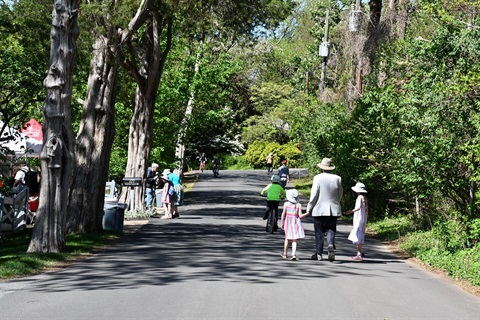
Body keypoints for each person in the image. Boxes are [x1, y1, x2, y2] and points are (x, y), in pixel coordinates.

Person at [306, 158, 343, 262]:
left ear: (322, 168)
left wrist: (309, 207)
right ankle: (330, 244)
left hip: (319, 208)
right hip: (333, 208)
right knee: (331, 228)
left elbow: (314, 194)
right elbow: (340, 193)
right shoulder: (337, 178)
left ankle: (319, 253)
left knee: (319, 231)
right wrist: (336, 201)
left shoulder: (317, 178)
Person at [280, 189, 309, 260]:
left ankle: (285, 253)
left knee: (287, 238)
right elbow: (300, 216)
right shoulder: (298, 205)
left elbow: (283, 214)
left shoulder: (286, 204)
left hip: (288, 222)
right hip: (295, 222)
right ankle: (293, 254)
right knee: (294, 239)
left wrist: (282, 222)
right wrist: (307, 213)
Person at [344, 182, 368, 261]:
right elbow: (367, 210)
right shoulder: (365, 198)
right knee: (360, 232)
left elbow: (358, 207)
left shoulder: (359, 197)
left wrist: (351, 211)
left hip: (358, 217)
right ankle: (360, 252)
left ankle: (359, 254)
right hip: (363, 218)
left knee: (357, 234)